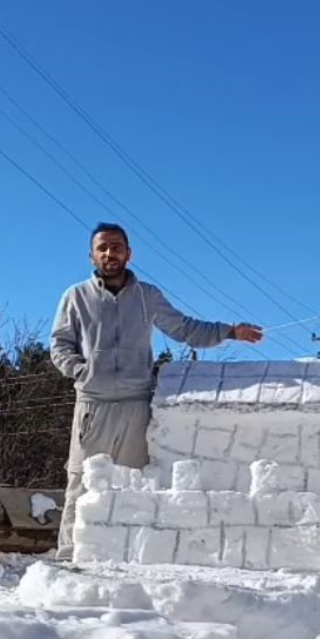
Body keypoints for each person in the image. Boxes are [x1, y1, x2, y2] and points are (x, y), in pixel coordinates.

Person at [50, 222, 264, 560]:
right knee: (82, 480)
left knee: (134, 483)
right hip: (94, 405)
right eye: (102, 247)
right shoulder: (76, 296)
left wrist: (229, 332)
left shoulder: (147, 296)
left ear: (129, 253)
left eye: (117, 247)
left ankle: (127, 558)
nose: (110, 253)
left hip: (137, 404)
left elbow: (184, 328)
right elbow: (60, 345)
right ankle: (69, 557)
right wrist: (82, 371)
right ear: (92, 255)